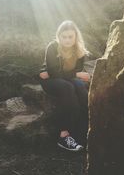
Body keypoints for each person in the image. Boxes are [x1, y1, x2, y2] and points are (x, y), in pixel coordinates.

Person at [39, 20, 90, 152]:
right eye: (64, 37)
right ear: (59, 36)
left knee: (80, 88)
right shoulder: (52, 47)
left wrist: (77, 76)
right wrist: (77, 75)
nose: (67, 40)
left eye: (70, 37)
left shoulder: (79, 50)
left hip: (64, 78)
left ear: (75, 37)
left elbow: (76, 72)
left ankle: (83, 131)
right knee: (68, 87)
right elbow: (54, 72)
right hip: (50, 80)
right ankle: (63, 136)